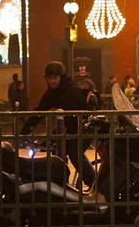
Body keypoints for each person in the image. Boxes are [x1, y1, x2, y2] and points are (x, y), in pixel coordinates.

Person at [20, 59, 99, 189]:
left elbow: (71, 120)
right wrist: (26, 130)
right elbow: (40, 111)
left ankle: (94, 184)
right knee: (58, 154)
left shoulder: (70, 93)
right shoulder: (51, 94)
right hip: (71, 128)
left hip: (86, 126)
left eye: (55, 78)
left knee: (75, 153)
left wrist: (56, 136)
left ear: (61, 77)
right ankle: (62, 186)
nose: (52, 81)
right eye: (49, 78)